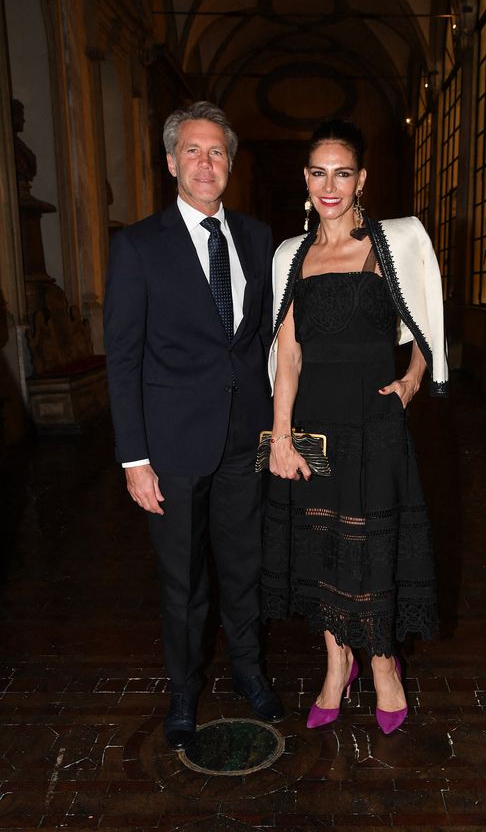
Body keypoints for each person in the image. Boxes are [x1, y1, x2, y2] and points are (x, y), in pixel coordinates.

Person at [104, 101, 283, 751]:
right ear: (171, 159)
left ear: (229, 164)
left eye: (217, 153)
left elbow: (262, 340)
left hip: (245, 439)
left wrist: (278, 426)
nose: (205, 164)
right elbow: (122, 358)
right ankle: (183, 692)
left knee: (244, 567)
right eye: (193, 151)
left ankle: (248, 671)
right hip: (171, 447)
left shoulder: (259, 239)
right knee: (183, 580)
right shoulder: (137, 245)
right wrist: (133, 458)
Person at [262, 119, 447, 734]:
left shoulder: (392, 244)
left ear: (362, 179)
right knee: (320, 550)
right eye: (319, 172)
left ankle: (384, 664)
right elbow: (287, 354)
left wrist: (413, 381)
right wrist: (282, 436)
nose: (330, 184)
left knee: (373, 548)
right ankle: (336, 665)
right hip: (315, 424)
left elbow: (427, 328)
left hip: (374, 424)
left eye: (343, 172)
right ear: (306, 179)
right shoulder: (292, 255)